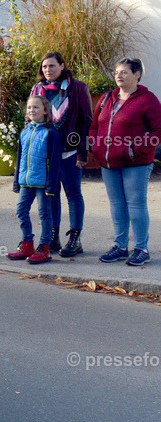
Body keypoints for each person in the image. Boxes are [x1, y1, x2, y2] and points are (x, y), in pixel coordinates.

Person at [88, 58, 161, 266]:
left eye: (124, 72)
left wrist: (133, 150)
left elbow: (157, 131)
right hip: (108, 162)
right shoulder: (106, 98)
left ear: (137, 75)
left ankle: (141, 249)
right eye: (117, 72)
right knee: (116, 205)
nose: (118, 75)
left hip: (135, 163)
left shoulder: (148, 100)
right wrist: (95, 146)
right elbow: (94, 126)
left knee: (136, 205)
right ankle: (120, 246)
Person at [29, 52, 92, 256]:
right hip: (46, 153)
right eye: (44, 66)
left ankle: (75, 238)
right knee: (51, 194)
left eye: (52, 66)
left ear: (62, 66)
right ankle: (53, 236)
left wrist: (82, 152)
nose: (48, 70)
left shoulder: (77, 88)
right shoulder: (37, 89)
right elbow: (30, 120)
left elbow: (86, 121)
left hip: (69, 151)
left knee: (73, 194)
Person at [6, 96, 62, 264]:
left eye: (36, 107)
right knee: (21, 211)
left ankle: (44, 248)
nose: (32, 110)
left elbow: (55, 162)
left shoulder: (50, 133)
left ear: (45, 110)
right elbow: (20, 158)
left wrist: (51, 185)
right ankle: (27, 244)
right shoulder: (25, 132)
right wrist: (16, 181)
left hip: (43, 183)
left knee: (45, 214)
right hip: (26, 181)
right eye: (29, 107)